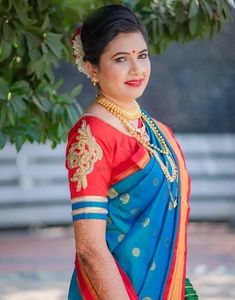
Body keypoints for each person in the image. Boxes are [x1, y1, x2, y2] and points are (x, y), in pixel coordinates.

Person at [65, 4, 198, 300]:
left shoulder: (157, 130)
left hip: (166, 287)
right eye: (121, 59)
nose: (137, 69)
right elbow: (90, 248)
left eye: (142, 55)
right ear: (92, 68)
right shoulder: (91, 137)